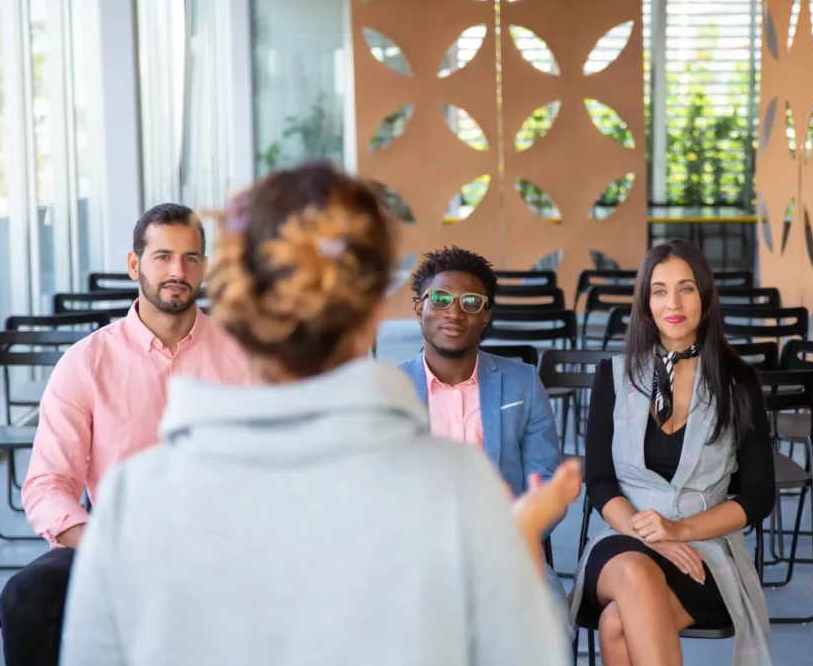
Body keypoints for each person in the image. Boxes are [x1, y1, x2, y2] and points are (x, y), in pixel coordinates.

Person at [58, 161, 576, 666]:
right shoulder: (460, 490)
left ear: (236, 304)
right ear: (378, 310)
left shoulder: (133, 500)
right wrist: (515, 553)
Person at [0, 203, 251, 666]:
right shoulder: (86, 362)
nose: (178, 270)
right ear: (135, 264)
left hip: (219, 540)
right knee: (25, 598)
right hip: (113, 537)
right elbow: (48, 485)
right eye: (163, 256)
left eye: (191, 258)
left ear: (205, 267)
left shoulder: (244, 358)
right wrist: (104, 546)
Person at [570, 240, 776, 666]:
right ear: (646, 302)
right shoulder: (612, 376)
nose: (673, 303)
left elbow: (758, 495)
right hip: (623, 540)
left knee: (615, 625)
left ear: (705, 296)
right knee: (634, 571)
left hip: (703, 549)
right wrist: (653, 536)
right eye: (659, 290)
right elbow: (600, 481)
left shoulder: (739, 382)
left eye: (686, 288)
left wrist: (679, 532)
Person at [399, 246, 572, 635]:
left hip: (508, 548)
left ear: (486, 314)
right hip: (416, 556)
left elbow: (543, 478)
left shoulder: (522, 382)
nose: (454, 312)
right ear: (418, 308)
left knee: (550, 623)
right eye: (440, 298)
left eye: (471, 302)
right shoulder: (389, 392)